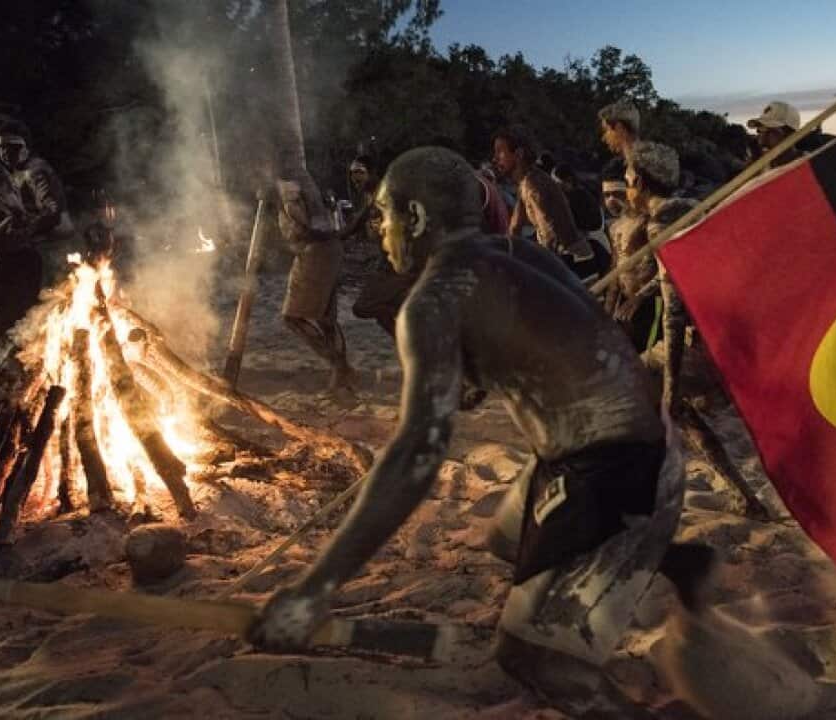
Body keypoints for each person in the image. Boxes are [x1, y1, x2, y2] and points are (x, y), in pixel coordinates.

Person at [250, 146, 721, 718]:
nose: (378, 229)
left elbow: (414, 459)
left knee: (533, 660)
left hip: (614, 474)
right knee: (505, 538)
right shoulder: (519, 253)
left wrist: (315, 589)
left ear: (415, 217)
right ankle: (673, 559)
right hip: (650, 449)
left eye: (383, 214)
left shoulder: (433, 301)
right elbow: (553, 346)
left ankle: (633, 575)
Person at [0, 122, 68, 346]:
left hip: (32, 253)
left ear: (26, 148)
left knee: (22, 318)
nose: (6, 152)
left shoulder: (34, 171)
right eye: (2, 148)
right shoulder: (9, 173)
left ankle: (24, 360)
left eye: (13, 147)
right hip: (15, 252)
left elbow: (52, 210)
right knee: (13, 318)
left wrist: (25, 230)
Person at [623, 142, 697, 415]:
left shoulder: (660, 224)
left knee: (630, 384)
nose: (626, 191)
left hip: (694, 340)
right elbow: (674, 273)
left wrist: (670, 387)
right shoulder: (691, 206)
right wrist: (641, 295)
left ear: (639, 183)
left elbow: (674, 311)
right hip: (717, 331)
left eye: (626, 182)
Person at [276, 163, 356, 393]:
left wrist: (309, 238)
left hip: (315, 252)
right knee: (325, 318)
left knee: (292, 317)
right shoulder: (301, 179)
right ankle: (342, 372)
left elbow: (307, 226)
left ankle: (339, 365)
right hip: (326, 250)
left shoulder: (290, 184)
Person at [493, 125, 603, 282]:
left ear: (518, 154)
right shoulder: (526, 182)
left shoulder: (533, 184)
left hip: (574, 262)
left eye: (500, 152)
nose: (495, 158)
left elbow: (549, 234)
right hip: (567, 259)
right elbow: (514, 228)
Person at [600, 158, 660, 353]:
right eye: (606, 195)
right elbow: (616, 269)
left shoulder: (649, 221)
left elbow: (667, 267)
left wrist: (640, 298)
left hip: (652, 305)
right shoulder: (615, 226)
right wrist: (607, 312)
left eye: (617, 193)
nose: (611, 201)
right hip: (626, 306)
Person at [746, 100, 835, 168]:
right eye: (760, 131)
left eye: (770, 132)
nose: (761, 141)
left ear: (791, 134)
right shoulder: (755, 173)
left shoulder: (812, 168)